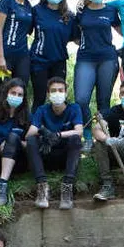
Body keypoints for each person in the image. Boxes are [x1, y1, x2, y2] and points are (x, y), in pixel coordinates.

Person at [74, 0, 121, 149]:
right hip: (85, 58)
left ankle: (103, 138)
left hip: (107, 58)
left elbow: (123, 31)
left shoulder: (110, 10)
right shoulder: (82, 10)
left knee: (103, 101)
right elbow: (75, 34)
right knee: (81, 99)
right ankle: (87, 138)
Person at [27, 77, 84, 209]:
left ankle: (67, 188)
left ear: (66, 92)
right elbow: (30, 134)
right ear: (48, 94)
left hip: (66, 157)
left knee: (75, 139)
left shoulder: (74, 108)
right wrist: (43, 133)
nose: (57, 93)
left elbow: (79, 131)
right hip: (46, 154)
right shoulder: (42, 110)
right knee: (31, 141)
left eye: (60, 90)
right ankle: (42, 187)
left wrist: (57, 135)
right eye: (53, 91)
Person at [30, 0, 76, 109]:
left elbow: (77, 39)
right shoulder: (37, 11)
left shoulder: (69, 16)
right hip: (38, 61)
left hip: (59, 61)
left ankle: (57, 128)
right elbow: (25, 30)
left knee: (58, 99)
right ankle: (34, 127)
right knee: (39, 97)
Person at [0, 0, 36, 91]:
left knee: (20, 91)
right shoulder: (7, 0)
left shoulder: (29, 6)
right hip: (5, 54)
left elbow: (28, 31)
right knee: (2, 92)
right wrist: (0, 57)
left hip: (22, 55)